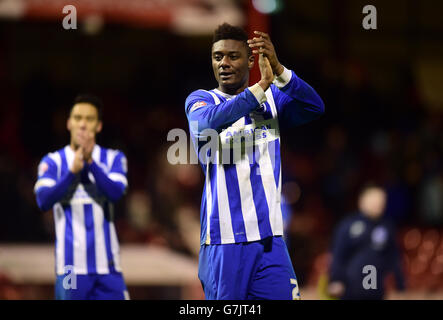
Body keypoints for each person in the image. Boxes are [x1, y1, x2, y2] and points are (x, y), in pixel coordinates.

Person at [184, 23, 325, 300]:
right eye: (217, 57)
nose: (223, 63)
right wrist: (259, 88)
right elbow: (204, 125)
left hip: (271, 239)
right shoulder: (202, 100)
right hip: (225, 239)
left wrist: (280, 71)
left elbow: (314, 107)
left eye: (232, 56)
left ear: (251, 60)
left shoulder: (272, 101)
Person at [34, 94, 129, 300]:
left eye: (89, 119)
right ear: (69, 123)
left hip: (108, 268)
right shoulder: (53, 161)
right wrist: (71, 173)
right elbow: (43, 201)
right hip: (70, 269)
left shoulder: (113, 158)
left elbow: (115, 193)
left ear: (99, 125)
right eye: (77, 118)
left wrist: (90, 163)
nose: (83, 124)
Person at [327, 184, 406, 300]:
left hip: (376, 289)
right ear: (362, 201)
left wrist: (400, 285)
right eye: (374, 200)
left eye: (381, 200)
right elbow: (338, 254)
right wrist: (336, 279)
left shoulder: (387, 226)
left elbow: (394, 257)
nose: (378, 204)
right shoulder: (348, 224)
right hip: (351, 289)